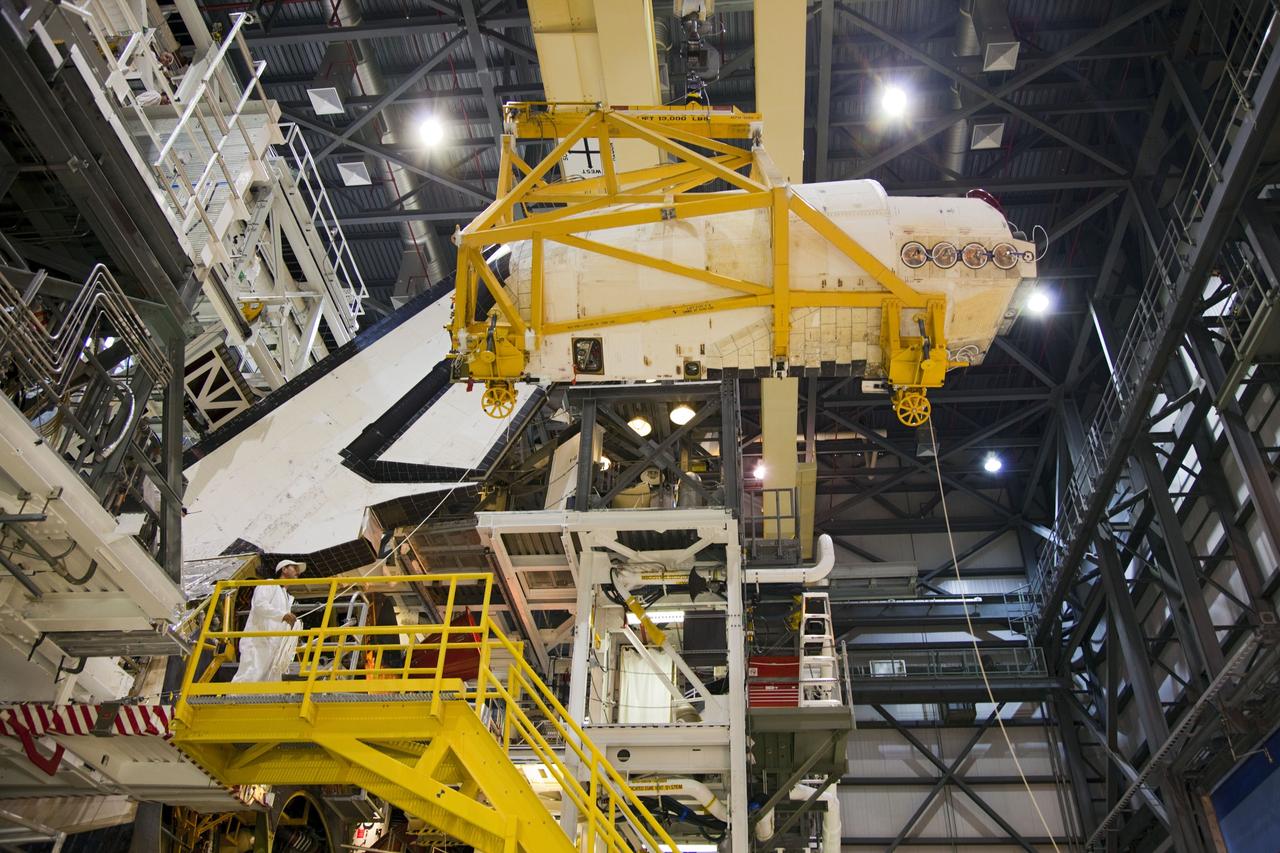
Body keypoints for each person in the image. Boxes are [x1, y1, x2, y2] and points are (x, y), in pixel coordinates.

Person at [231, 559, 305, 682]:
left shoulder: (286, 595)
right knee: (250, 676)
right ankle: (233, 701)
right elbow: (260, 605)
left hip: (274, 646)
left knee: (270, 681)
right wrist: (283, 615)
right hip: (258, 642)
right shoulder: (269, 584)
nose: (298, 571)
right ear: (284, 569)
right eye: (294, 567)